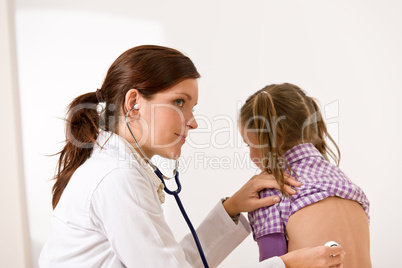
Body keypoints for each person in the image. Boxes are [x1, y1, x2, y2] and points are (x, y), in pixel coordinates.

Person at [39, 45, 345, 268]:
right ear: (134, 102)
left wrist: (230, 209)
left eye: (192, 107)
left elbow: (171, 261)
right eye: (179, 102)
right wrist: (286, 265)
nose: (193, 121)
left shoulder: (119, 168)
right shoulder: (117, 178)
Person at [239, 83, 371, 267]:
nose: (252, 156)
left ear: (275, 138)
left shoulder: (273, 193)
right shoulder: (346, 184)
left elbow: (273, 264)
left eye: (250, 144)